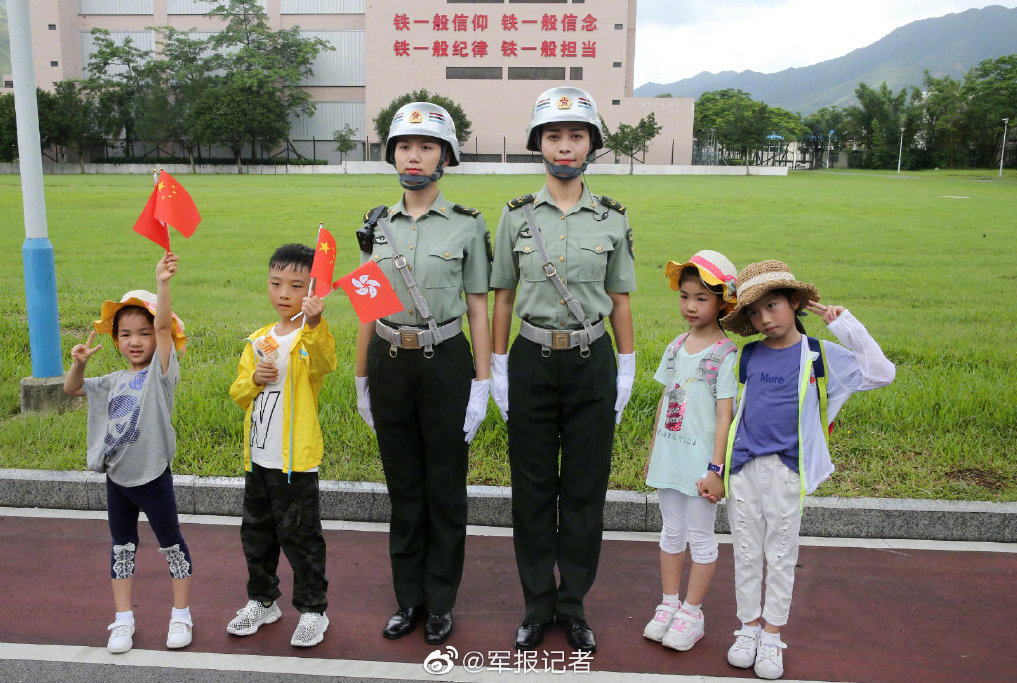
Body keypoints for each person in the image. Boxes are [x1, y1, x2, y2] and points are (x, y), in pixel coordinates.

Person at [489, 86, 636, 654]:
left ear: (592, 144)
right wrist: (498, 367)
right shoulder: (514, 217)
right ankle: (534, 604)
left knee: (582, 489)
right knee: (531, 488)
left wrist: (624, 369)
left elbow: (620, 299)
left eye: (577, 135)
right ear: (538, 144)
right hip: (529, 359)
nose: (565, 145)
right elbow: (502, 296)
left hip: (591, 360)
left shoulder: (613, 219)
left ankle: (572, 604)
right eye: (554, 135)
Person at [353, 101, 492, 646]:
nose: (414, 155)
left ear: (446, 157)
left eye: (427, 146)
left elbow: (478, 307)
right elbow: (368, 303)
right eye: (405, 146)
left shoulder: (467, 226)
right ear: (393, 155)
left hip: (446, 363)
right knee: (404, 488)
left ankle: (440, 601)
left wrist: (483, 382)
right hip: (389, 361)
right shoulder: (376, 225)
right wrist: (362, 377)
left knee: (444, 489)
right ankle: (408, 598)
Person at [718, 260, 895, 679]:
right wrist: (719, 467)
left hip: (787, 471)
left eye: (773, 306)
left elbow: (881, 374)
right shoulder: (746, 357)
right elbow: (730, 414)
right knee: (745, 552)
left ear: (795, 302)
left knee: (780, 554)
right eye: (755, 313)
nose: (765, 318)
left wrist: (846, 325)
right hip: (742, 469)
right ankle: (747, 629)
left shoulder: (819, 356)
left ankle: (773, 635)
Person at [63, 252, 194, 654]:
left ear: (158, 336)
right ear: (115, 339)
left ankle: (181, 615)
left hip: (152, 476)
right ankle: (123, 620)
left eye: (144, 332)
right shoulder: (113, 380)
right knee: (122, 548)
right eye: (124, 334)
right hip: (117, 479)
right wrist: (79, 365)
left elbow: (164, 326)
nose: (135, 341)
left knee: (171, 544)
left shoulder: (161, 374)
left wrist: (163, 284)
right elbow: (71, 390)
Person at [226, 244, 337, 648]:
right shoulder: (258, 339)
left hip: (295, 464)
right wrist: (254, 379)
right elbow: (239, 393)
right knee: (256, 535)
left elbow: (326, 362)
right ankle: (262, 600)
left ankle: (313, 610)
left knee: (302, 537)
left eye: (295, 285)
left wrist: (317, 320)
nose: (284, 293)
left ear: (310, 290)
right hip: (258, 460)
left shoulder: (309, 339)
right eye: (276, 283)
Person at [641, 251, 739, 652]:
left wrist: (716, 470)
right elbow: (666, 401)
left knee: (700, 538)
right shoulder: (676, 345)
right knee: (670, 533)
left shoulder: (725, 356)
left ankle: (692, 611)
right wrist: (652, 453)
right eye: (684, 296)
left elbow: (724, 419)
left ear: (722, 301)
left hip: (702, 466)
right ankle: (668, 604)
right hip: (670, 459)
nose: (690, 306)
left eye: (701, 297)